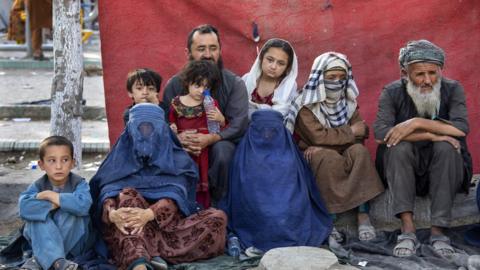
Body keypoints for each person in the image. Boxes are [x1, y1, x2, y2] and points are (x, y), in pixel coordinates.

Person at [90, 103, 227, 270]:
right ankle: (138, 262)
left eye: (151, 128)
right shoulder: (120, 158)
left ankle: (152, 253)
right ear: (131, 130)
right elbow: (106, 192)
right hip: (128, 228)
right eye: (140, 128)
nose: (145, 134)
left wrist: (150, 213)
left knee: (218, 218)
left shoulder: (177, 160)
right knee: (127, 196)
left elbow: (177, 198)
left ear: (162, 129)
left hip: (167, 230)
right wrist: (112, 214)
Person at [373, 39, 472, 258]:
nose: (427, 80)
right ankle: (408, 230)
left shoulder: (453, 89)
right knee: (398, 148)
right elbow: (381, 134)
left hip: (444, 167)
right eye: (419, 74)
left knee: (447, 149)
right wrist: (430, 133)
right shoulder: (391, 92)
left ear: (440, 70)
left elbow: (462, 128)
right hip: (405, 166)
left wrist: (416, 123)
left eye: (433, 73)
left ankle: (438, 232)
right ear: (404, 73)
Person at [285, 52, 384, 243]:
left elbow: (361, 131)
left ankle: (363, 214)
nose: (337, 82)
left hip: (339, 149)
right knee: (326, 157)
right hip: (315, 155)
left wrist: (329, 141)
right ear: (320, 77)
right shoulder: (305, 104)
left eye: (341, 77)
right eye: (331, 77)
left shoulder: (348, 101)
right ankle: (329, 220)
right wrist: (348, 133)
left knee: (359, 151)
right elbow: (317, 136)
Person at [220, 109, 332, 252]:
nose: (267, 134)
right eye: (262, 129)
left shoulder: (291, 158)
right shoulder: (243, 158)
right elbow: (241, 196)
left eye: (272, 130)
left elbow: (299, 195)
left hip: (287, 218)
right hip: (256, 218)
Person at [161, 24, 249, 204]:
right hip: (185, 142)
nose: (208, 55)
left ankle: (219, 208)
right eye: (201, 49)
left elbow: (238, 124)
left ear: (220, 51)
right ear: (188, 53)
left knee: (223, 152)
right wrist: (178, 138)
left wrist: (211, 138)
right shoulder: (175, 85)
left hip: (220, 143)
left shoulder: (234, 84)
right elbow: (163, 121)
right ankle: (180, 205)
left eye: (213, 48)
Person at [19, 136, 94, 270]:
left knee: (68, 212)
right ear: (41, 165)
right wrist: (52, 205)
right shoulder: (38, 185)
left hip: (73, 243)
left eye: (65, 160)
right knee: (36, 218)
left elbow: (83, 206)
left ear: (73, 163)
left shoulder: (79, 184)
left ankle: (40, 260)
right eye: (52, 161)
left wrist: (51, 196)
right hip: (48, 244)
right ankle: (57, 262)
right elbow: (24, 208)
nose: (59, 166)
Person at [168, 60, 225, 209]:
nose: (201, 91)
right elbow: (171, 120)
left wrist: (221, 119)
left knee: (202, 178)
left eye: (206, 87)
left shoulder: (210, 103)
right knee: (185, 176)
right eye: (197, 86)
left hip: (202, 150)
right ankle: (184, 207)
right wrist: (172, 127)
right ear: (187, 83)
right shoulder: (176, 102)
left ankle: (202, 209)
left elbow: (220, 128)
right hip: (184, 149)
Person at [242, 38, 298, 118]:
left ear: (287, 67)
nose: (273, 66)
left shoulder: (288, 86)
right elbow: (239, 108)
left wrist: (253, 109)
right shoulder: (247, 79)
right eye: (270, 60)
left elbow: (280, 114)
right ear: (261, 58)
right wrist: (267, 109)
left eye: (281, 63)